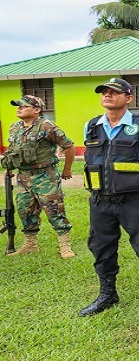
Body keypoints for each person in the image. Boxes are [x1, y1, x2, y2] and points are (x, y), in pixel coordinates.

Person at [79, 77, 139, 318]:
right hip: (100, 201)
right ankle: (107, 294)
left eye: (114, 92)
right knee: (101, 248)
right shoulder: (91, 126)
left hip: (133, 201)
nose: (107, 96)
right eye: (104, 92)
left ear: (128, 98)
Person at [1, 95, 75, 258]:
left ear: (37, 110)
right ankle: (30, 245)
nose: (19, 108)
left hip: (45, 176)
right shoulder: (15, 127)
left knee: (54, 209)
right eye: (18, 106)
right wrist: (9, 167)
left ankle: (65, 246)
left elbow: (69, 146)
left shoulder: (46, 126)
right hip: (23, 177)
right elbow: (13, 149)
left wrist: (67, 169)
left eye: (23, 106)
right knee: (25, 210)